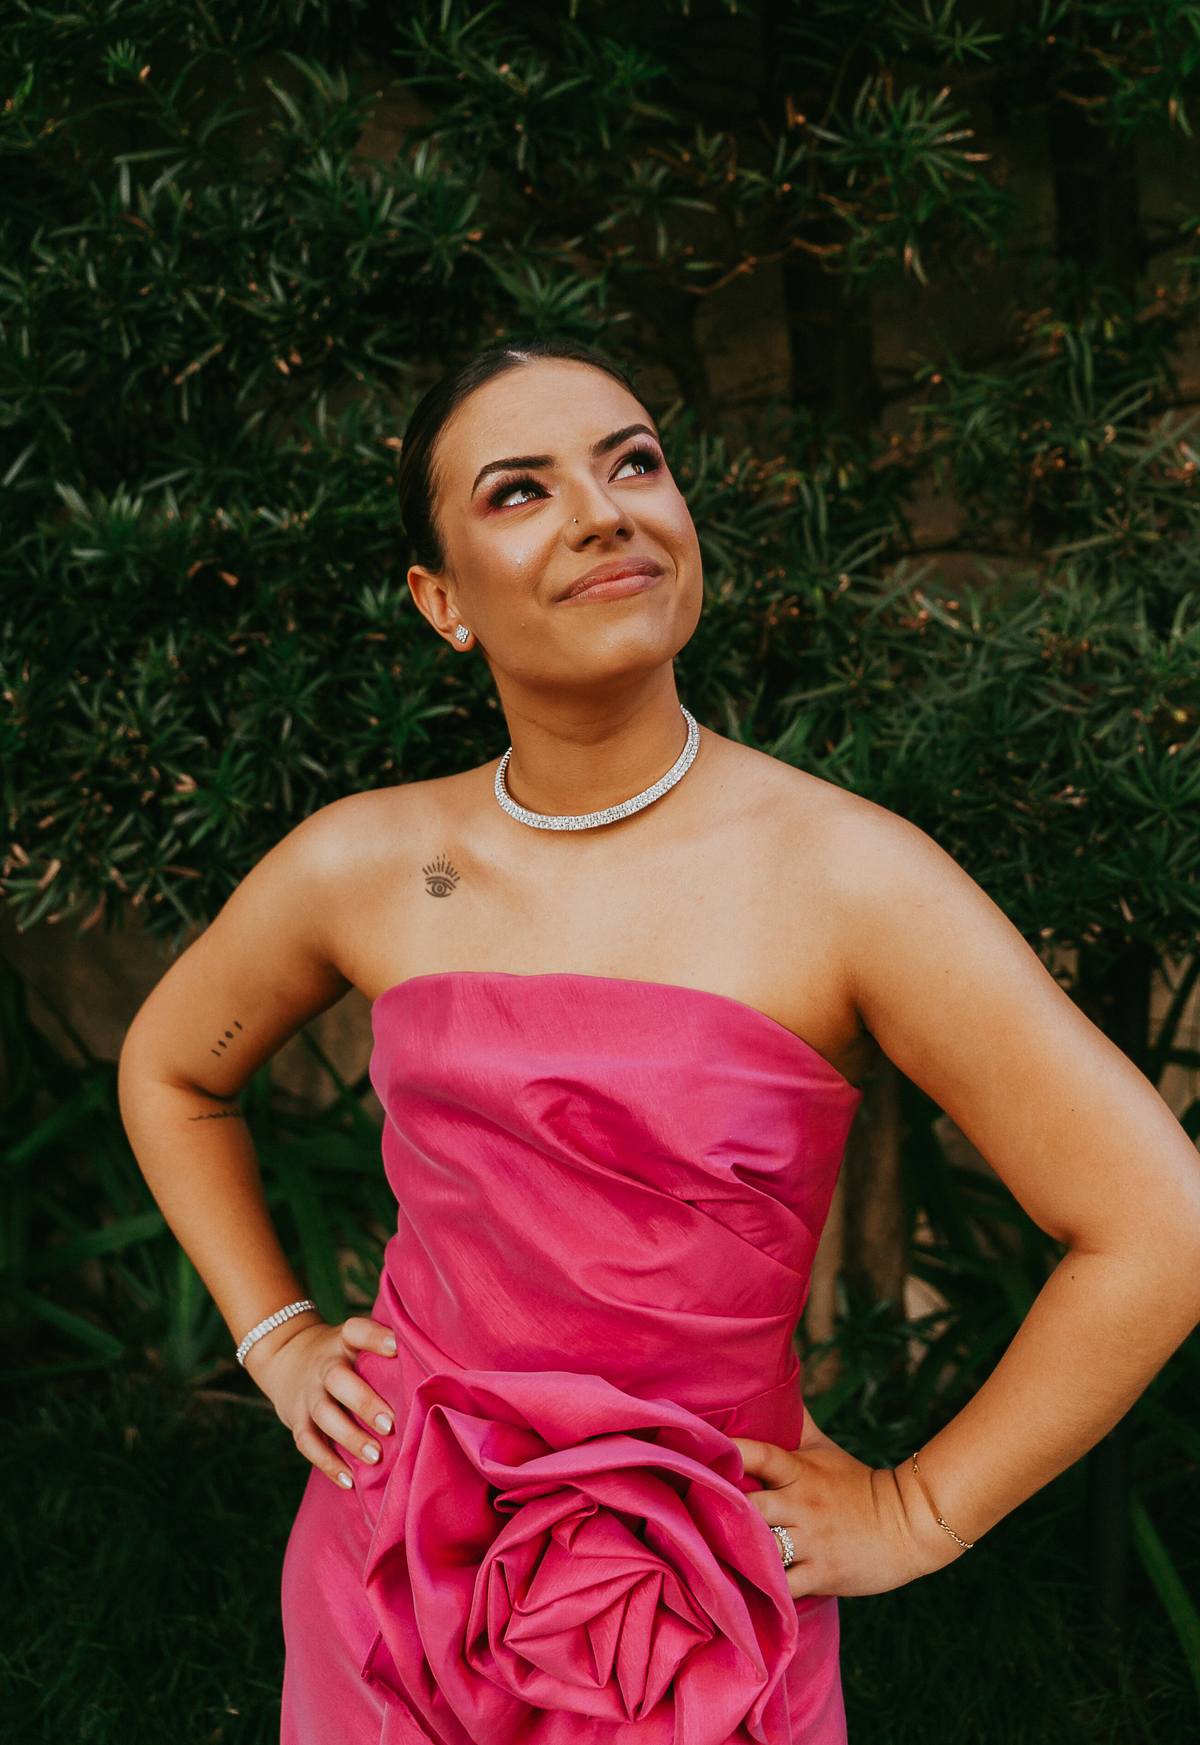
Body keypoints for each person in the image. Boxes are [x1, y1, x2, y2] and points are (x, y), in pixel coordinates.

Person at [119, 338, 1200, 1745]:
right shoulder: (364, 865)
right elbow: (173, 1070)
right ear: (442, 602)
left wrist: (918, 1511)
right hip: (388, 1573)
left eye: (633, 463)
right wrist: (276, 1340)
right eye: (520, 490)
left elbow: (1161, 1224)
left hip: (698, 1612)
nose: (602, 512)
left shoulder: (852, 880)